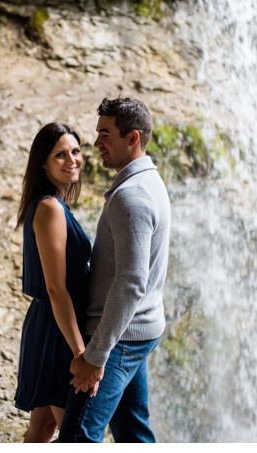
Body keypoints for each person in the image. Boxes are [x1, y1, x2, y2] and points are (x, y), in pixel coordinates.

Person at [58, 97, 170, 443]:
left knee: (77, 437)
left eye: (105, 134)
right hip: (139, 330)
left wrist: (95, 355)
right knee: (134, 433)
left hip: (121, 337)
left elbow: (131, 282)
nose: (96, 144)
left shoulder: (131, 196)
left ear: (132, 138)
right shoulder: (148, 181)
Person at [13, 122, 92, 442]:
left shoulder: (55, 205)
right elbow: (56, 288)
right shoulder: (49, 208)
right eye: (60, 154)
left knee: (43, 427)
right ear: (43, 163)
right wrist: (81, 352)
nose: (71, 159)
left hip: (51, 326)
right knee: (77, 436)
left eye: (75, 151)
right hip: (58, 334)